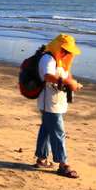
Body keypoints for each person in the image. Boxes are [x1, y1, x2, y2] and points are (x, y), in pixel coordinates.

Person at [34, 33, 82, 178]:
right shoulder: (48, 58)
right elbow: (47, 76)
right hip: (48, 102)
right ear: (57, 46)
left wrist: (73, 84)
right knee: (58, 131)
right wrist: (69, 83)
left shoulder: (61, 60)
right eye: (64, 50)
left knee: (47, 129)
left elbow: (66, 76)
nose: (66, 53)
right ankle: (63, 164)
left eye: (68, 51)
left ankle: (41, 159)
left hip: (56, 102)